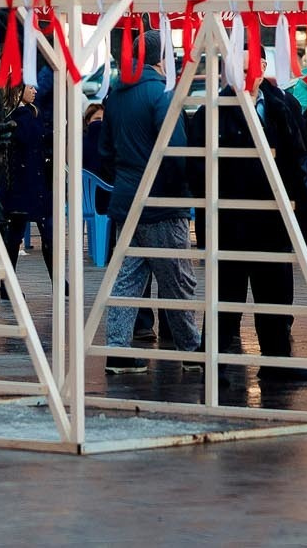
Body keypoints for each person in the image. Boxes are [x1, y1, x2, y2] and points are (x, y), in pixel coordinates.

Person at [101, 29, 202, 373]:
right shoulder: (161, 95)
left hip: (126, 198)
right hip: (161, 201)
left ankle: (117, 349)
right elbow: (174, 151)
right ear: (162, 58)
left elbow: (103, 150)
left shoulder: (115, 95)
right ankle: (191, 349)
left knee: (127, 277)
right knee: (177, 278)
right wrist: (182, 189)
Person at [208, 79, 307, 385]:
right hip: (232, 216)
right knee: (227, 296)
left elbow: (296, 151)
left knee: (274, 292)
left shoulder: (279, 105)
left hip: (270, 215)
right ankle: (213, 363)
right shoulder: (216, 108)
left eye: (253, 64)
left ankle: (276, 361)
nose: (246, 73)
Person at [0, 66, 55, 283]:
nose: (34, 90)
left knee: (35, 233)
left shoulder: (32, 113)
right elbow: (33, 138)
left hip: (31, 184)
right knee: (17, 235)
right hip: (23, 185)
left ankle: (56, 280)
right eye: (30, 86)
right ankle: (9, 283)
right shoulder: (18, 116)